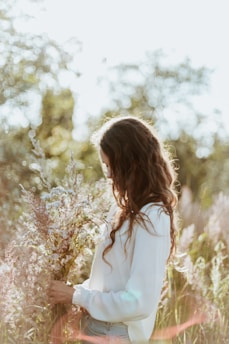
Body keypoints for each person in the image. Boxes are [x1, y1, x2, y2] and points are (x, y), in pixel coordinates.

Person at [47, 116, 178, 343]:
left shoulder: (153, 216)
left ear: (131, 163)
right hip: (99, 328)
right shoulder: (123, 209)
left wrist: (78, 296)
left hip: (115, 334)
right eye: (105, 166)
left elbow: (139, 303)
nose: (108, 175)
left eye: (111, 166)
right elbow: (110, 282)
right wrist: (74, 293)